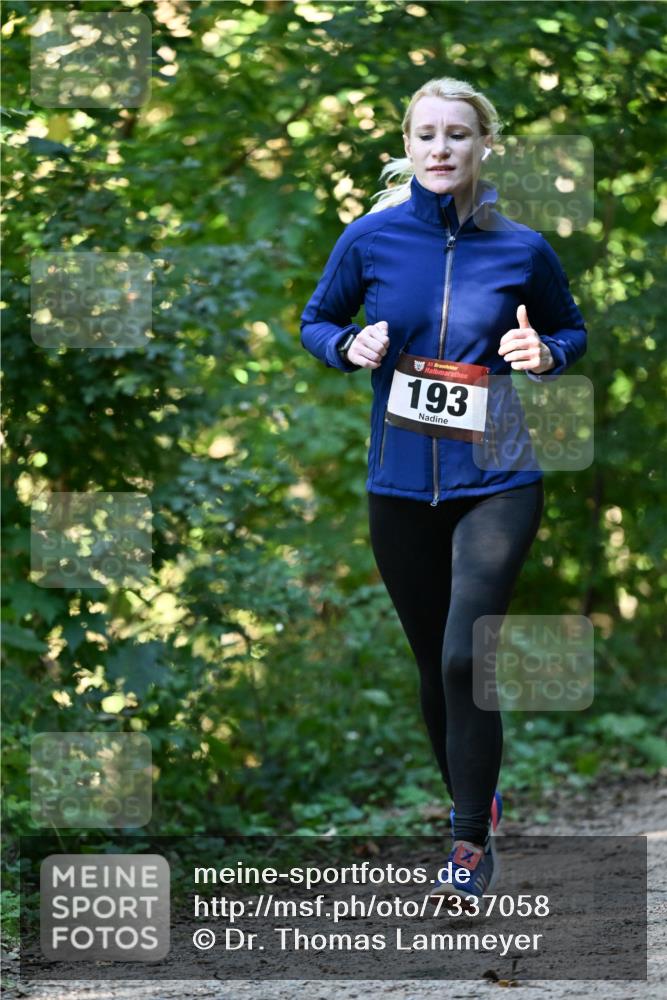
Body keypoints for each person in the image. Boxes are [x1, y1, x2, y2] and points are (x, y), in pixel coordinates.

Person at [299, 77, 587, 905]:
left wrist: (547, 355)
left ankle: (466, 845)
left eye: (456, 134)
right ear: (406, 144)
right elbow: (316, 320)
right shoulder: (371, 238)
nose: (440, 148)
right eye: (425, 134)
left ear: (482, 144)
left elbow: (569, 329)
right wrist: (348, 346)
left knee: (467, 655)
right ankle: (475, 798)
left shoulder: (522, 248)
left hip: (496, 478)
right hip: (398, 485)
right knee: (434, 664)